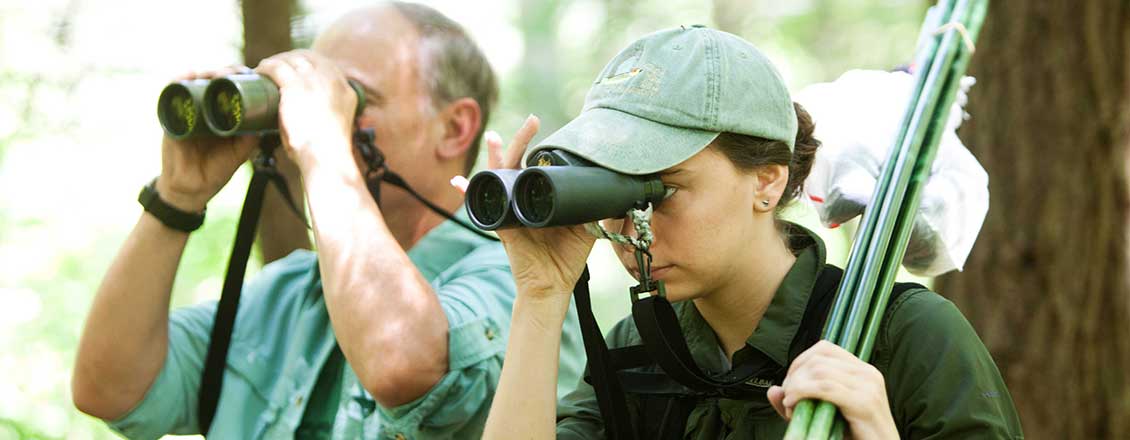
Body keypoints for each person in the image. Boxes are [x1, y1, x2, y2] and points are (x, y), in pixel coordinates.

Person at [477, 26, 1023, 439]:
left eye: (660, 189)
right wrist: (541, 296)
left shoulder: (904, 336)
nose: (631, 226)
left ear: (767, 180)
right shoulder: (638, 349)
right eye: (619, 193)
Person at [70, 3, 584, 438]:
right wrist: (176, 198)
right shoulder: (285, 296)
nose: (309, 116)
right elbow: (109, 390)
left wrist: (322, 146)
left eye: (350, 97)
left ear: (454, 128)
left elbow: (403, 364)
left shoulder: (525, 282)